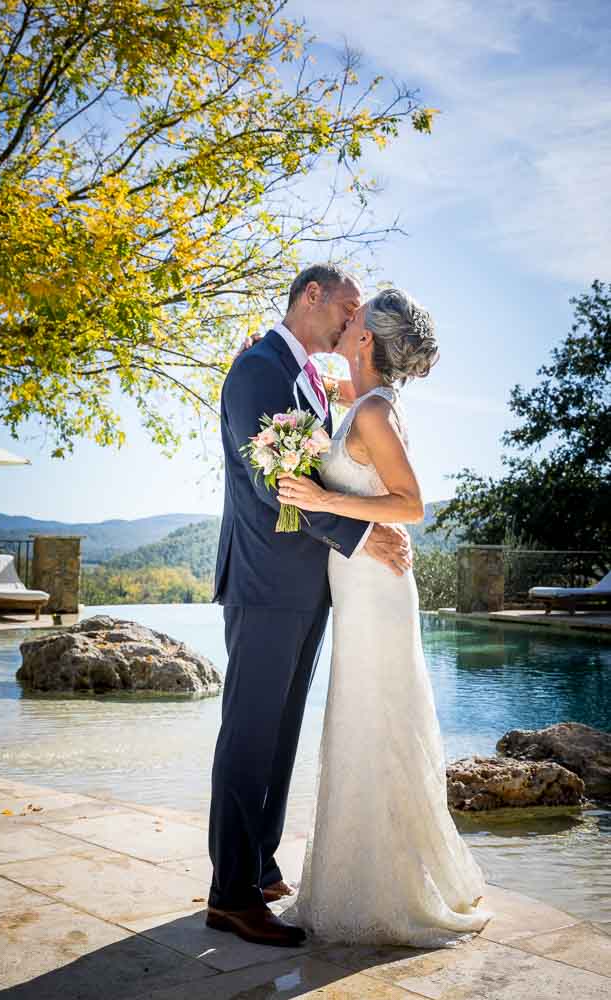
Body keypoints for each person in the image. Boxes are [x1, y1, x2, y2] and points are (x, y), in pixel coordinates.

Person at [276, 286, 495, 946]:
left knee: (372, 718)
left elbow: (410, 506)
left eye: (355, 316)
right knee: (359, 719)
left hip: (375, 589)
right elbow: (309, 396)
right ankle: (366, 880)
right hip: (360, 584)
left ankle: (384, 895)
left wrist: (321, 497)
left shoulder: (373, 410)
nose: (345, 320)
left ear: (366, 339)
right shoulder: (362, 401)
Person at [207, 265, 413, 947]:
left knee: (280, 733)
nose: (352, 322)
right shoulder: (258, 369)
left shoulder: (310, 379)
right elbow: (278, 485)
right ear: (311, 297)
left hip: (306, 586)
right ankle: (230, 894)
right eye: (347, 308)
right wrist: (362, 534)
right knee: (248, 735)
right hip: (265, 585)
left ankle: (259, 864)